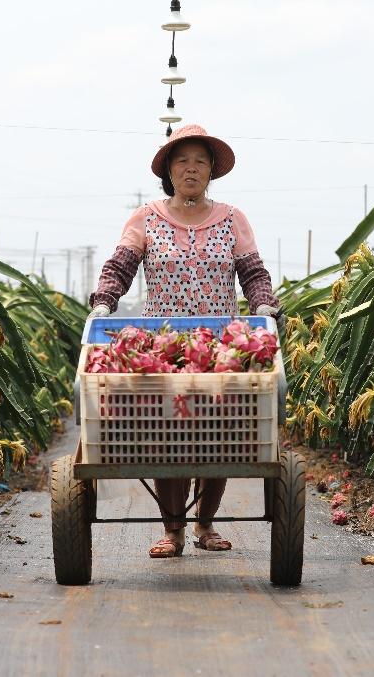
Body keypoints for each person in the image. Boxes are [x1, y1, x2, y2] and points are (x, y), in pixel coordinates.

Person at [87, 123, 282, 559]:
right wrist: (103, 302)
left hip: (222, 346)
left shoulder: (233, 219)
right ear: (169, 171)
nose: (191, 168)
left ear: (212, 170)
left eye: (200, 161)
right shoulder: (145, 218)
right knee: (168, 434)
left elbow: (253, 272)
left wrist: (264, 304)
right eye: (182, 160)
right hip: (163, 345)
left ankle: (206, 525)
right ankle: (172, 530)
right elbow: (120, 266)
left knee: (220, 435)